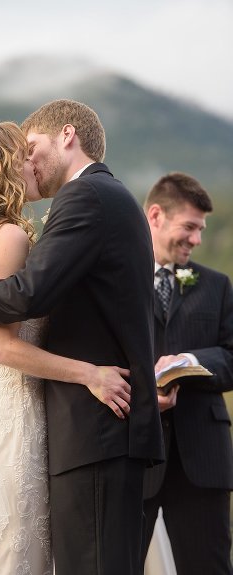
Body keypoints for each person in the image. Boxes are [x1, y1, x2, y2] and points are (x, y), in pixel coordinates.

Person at [0, 100, 165, 574]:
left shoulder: (87, 198)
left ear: (67, 135)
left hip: (98, 429)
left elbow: (30, 294)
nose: (27, 163)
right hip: (89, 430)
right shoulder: (102, 198)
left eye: (34, 148)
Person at [141, 172, 233, 574]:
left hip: (203, 458)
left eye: (201, 230)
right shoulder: (118, 284)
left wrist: (190, 362)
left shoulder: (217, 286)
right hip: (135, 454)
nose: (196, 239)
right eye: (190, 227)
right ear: (156, 216)